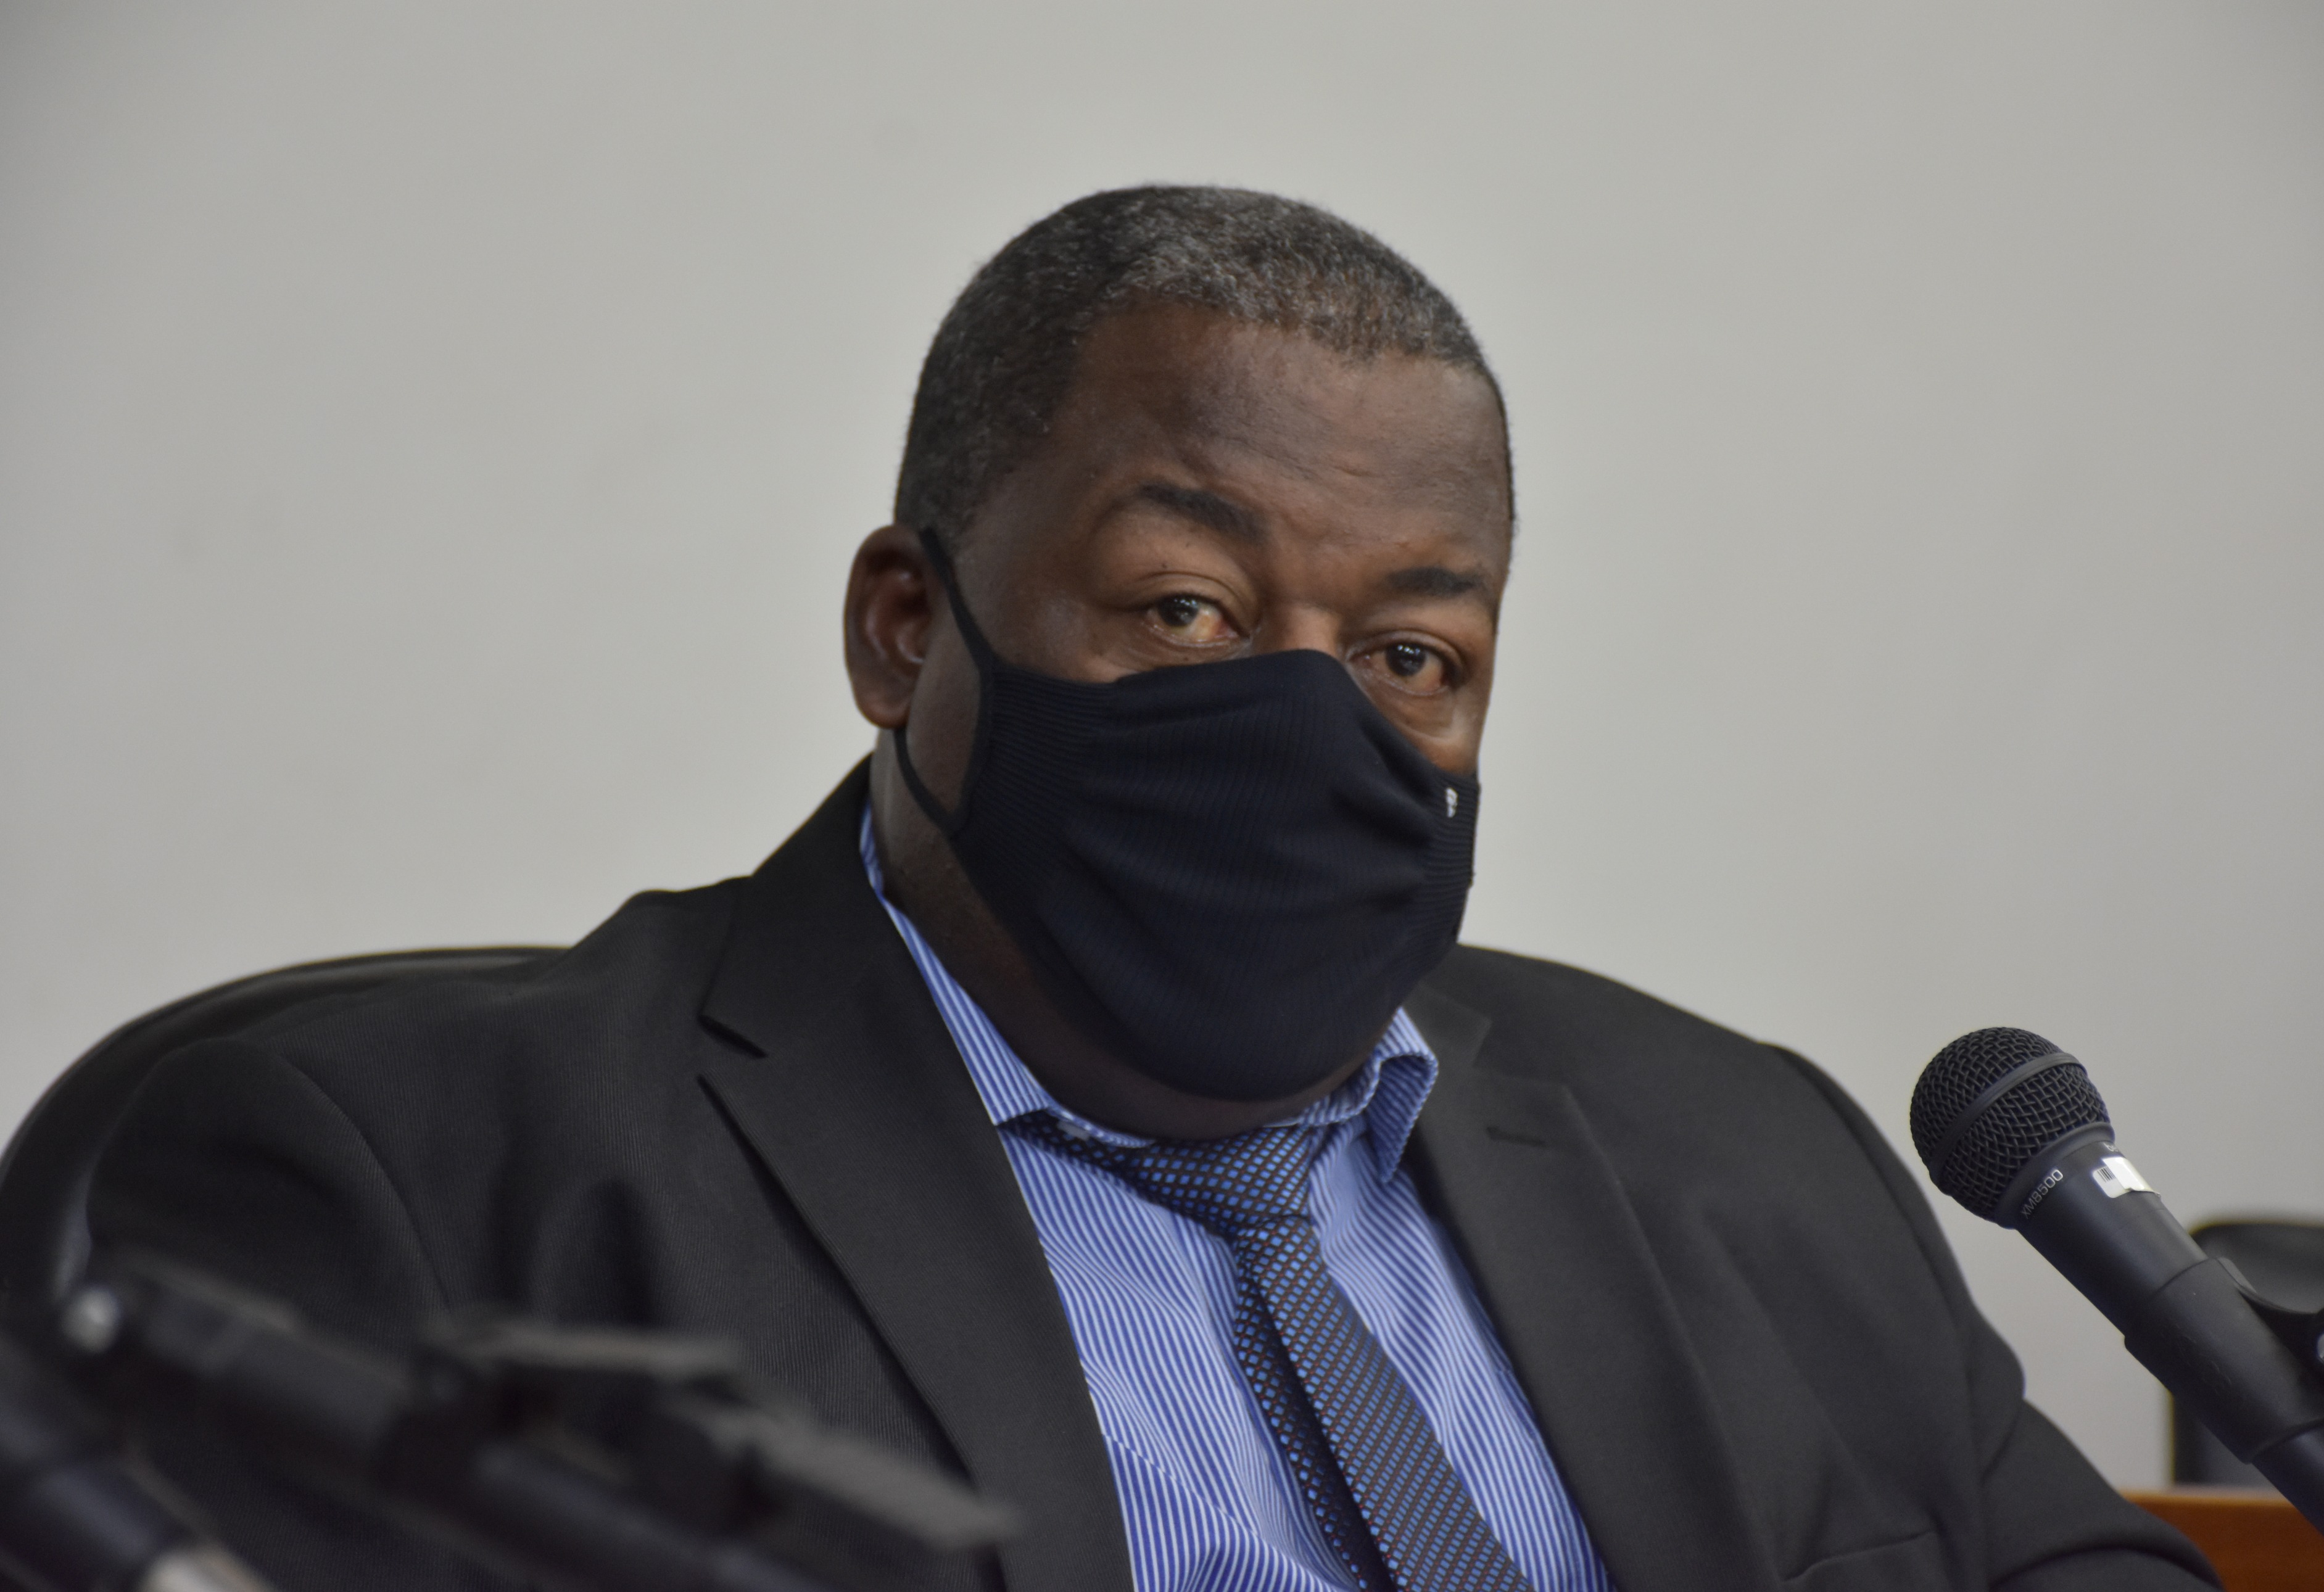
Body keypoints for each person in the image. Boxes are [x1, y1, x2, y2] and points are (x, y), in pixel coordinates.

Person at [89, 188, 2216, 1592]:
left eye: (1413, 655)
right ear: (905, 630)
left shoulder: (1745, 1153)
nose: (1308, 720)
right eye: (1187, 609)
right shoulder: (418, 1178)